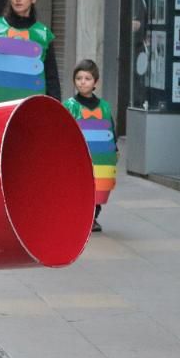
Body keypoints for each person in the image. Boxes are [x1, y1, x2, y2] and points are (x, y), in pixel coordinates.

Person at [63, 59, 117, 233]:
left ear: (96, 82)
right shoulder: (69, 106)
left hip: (100, 156)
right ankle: (79, 215)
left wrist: (114, 149)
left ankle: (93, 217)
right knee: (79, 184)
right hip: (78, 156)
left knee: (98, 185)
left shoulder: (105, 107)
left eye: (87, 78)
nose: (83, 82)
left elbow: (111, 128)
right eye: (79, 78)